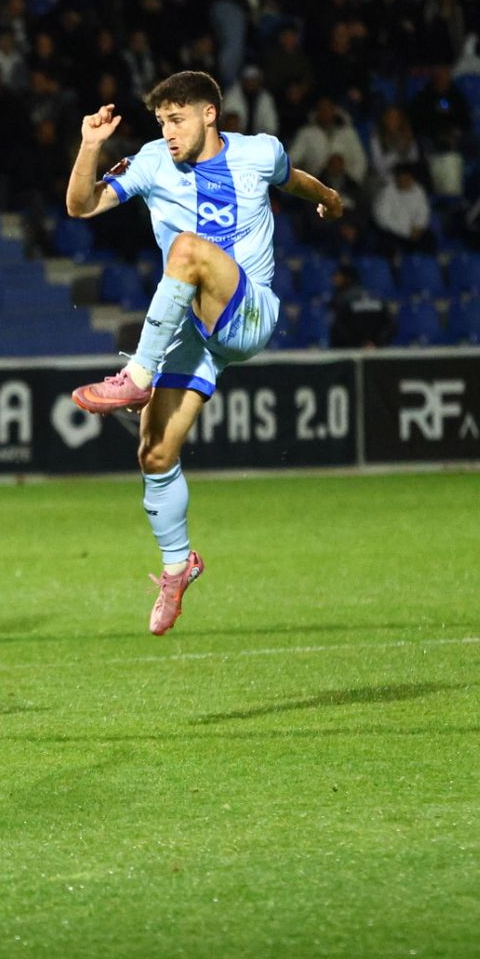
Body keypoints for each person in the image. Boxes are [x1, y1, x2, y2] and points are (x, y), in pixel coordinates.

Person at [66, 71, 343, 634]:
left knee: (190, 249)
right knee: (155, 454)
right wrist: (90, 147)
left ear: (209, 114)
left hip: (249, 311)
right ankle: (178, 565)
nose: (167, 132)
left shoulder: (259, 152)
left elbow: (294, 181)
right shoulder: (149, 161)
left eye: (177, 119)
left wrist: (331, 199)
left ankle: (137, 373)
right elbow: (82, 207)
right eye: (161, 121)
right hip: (193, 329)